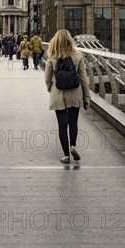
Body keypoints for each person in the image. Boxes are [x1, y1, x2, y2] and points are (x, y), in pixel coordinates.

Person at [44, 29, 91, 164]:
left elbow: (47, 77)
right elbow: (83, 78)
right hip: (74, 93)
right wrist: (86, 97)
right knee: (73, 122)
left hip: (58, 94)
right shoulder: (78, 55)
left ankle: (66, 155)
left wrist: (50, 88)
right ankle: (73, 146)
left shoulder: (52, 55)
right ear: (70, 40)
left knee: (62, 125)